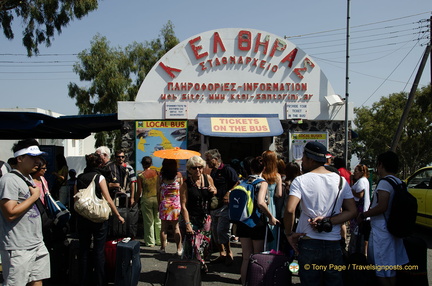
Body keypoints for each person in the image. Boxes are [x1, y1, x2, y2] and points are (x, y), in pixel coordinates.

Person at [284, 141, 357, 286]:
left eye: (303, 157)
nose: (302, 161)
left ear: (311, 159)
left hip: (308, 240)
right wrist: (329, 221)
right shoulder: (341, 181)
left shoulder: (300, 181)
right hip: (333, 242)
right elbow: (352, 211)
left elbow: (290, 209)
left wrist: (289, 234)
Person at [0, 138, 51, 285]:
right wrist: (34, 197)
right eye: (32, 157)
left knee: (37, 280)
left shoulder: (28, 178)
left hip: (36, 242)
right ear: (20, 158)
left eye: (38, 157)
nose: (37, 161)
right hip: (18, 246)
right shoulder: (9, 180)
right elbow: (9, 213)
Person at [358, 151, 408, 286]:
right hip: (393, 229)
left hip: (383, 232)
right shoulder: (399, 182)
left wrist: (364, 215)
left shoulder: (384, 183)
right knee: (390, 269)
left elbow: (382, 206)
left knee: (383, 271)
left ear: (380, 164)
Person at [74, 153, 125, 286]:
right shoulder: (99, 177)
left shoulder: (79, 177)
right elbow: (108, 199)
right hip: (98, 218)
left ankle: (83, 279)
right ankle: (99, 280)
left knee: (84, 249)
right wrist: (117, 215)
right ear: (99, 164)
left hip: (82, 217)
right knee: (99, 250)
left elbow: (75, 198)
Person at [237, 156, 279, 285]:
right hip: (256, 222)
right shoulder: (262, 182)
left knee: (245, 257)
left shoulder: (243, 181)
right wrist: (271, 216)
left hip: (243, 221)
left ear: (250, 168)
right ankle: (256, 282)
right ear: (264, 168)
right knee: (257, 256)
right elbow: (261, 202)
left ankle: (244, 282)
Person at [180, 155, 217, 272]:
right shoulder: (186, 184)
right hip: (192, 217)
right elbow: (183, 205)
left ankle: (199, 263)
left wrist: (213, 190)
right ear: (189, 169)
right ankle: (199, 266)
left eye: (200, 167)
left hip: (206, 218)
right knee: (195, 244)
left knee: (205, 244)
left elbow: (215, 190)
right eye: (194, 168)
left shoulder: (208, 178)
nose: (198, 170)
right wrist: (187, 223)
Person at [204, 149, 238, 266]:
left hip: (225, 206)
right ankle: (222, 253)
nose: (206, 162)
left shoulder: (227, 170)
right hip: (215, 205)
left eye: (208, 159)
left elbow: (237, 182)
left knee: (222, 231)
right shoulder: (212, 172)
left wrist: (229, 193)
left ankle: (229, 254)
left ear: (215, 159)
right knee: (214, 232)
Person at [158, 159, 183, 255]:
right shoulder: (178, 176)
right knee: (176, 227)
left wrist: (158, 204)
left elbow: (158, 191)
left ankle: (162, 248)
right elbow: (181, 190)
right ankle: (179, 248)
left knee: (164, 228)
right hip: (176, 205)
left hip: (164, 204)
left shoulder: (161, 176)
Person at [136, 156, 161, 247]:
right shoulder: (157, 173)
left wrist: (135, 201)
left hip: (146, 199)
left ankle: (150, 242)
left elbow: (139, 191)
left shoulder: (141, 176)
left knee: (148, 222)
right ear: (151, 163)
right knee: (158, 220)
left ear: (142, 164)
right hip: (157, 198)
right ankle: (160, 240)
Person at [261, 150, 283, 251]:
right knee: (272, 232)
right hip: (272, 207)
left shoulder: (261, 175)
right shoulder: (277, 176)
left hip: (262, 205)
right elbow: (279, 194)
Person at [349, 164, 371, 255]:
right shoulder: (363, 181)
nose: (354, 173)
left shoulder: (361, 181)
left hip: (359, 210)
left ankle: (356, 253)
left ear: (362, 172)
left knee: (357, 233)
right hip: (361, 210)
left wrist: (351, 190)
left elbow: (360, 194)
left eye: (356, 171)